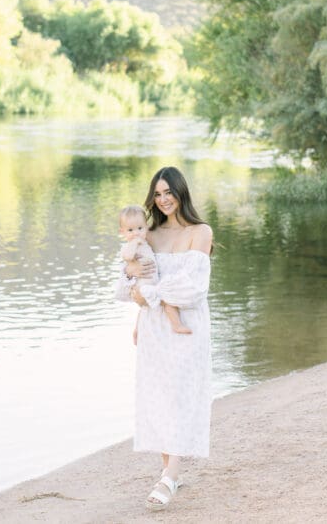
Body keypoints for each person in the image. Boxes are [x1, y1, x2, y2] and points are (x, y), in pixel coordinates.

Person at [114, 166, 213, 511]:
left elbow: (194, 287)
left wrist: (150, 295)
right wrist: (134, 283)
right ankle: (168, 469)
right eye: (157, 194)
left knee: (180, 396)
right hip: (154, 328)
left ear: (181, 192)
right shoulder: (148, 235)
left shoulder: (200, 232)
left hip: (186, 325)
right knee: (158, 396)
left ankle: (170, 477)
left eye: (168, 192)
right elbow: (128, 284)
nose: (163, 199)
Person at [119, 204, 192, 339]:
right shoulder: (128, 247)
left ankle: (138, 329)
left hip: (152, 282)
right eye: (130, 230)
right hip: (142, 283)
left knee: (152, 304)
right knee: (166, 301)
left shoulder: (146, 242)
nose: (136, 233)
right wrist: (134, 243)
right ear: (122, 232)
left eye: (139, 228)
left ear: (146, 227)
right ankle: (176, 325)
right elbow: (128, 256)